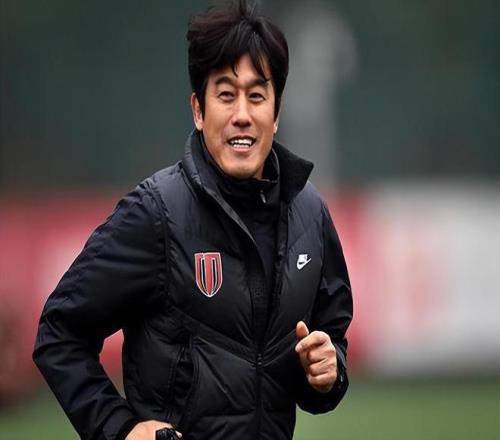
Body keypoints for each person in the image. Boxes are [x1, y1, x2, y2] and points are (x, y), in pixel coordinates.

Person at [33, 1, 353, 439]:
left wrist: (328, 371)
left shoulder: (310, 214)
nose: (242, 114)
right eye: (226, 94)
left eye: (257, 96)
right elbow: (59, 331)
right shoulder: (155, 214)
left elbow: (329, 340)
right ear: (199, 110)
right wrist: (119, 429)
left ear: (276, 114)